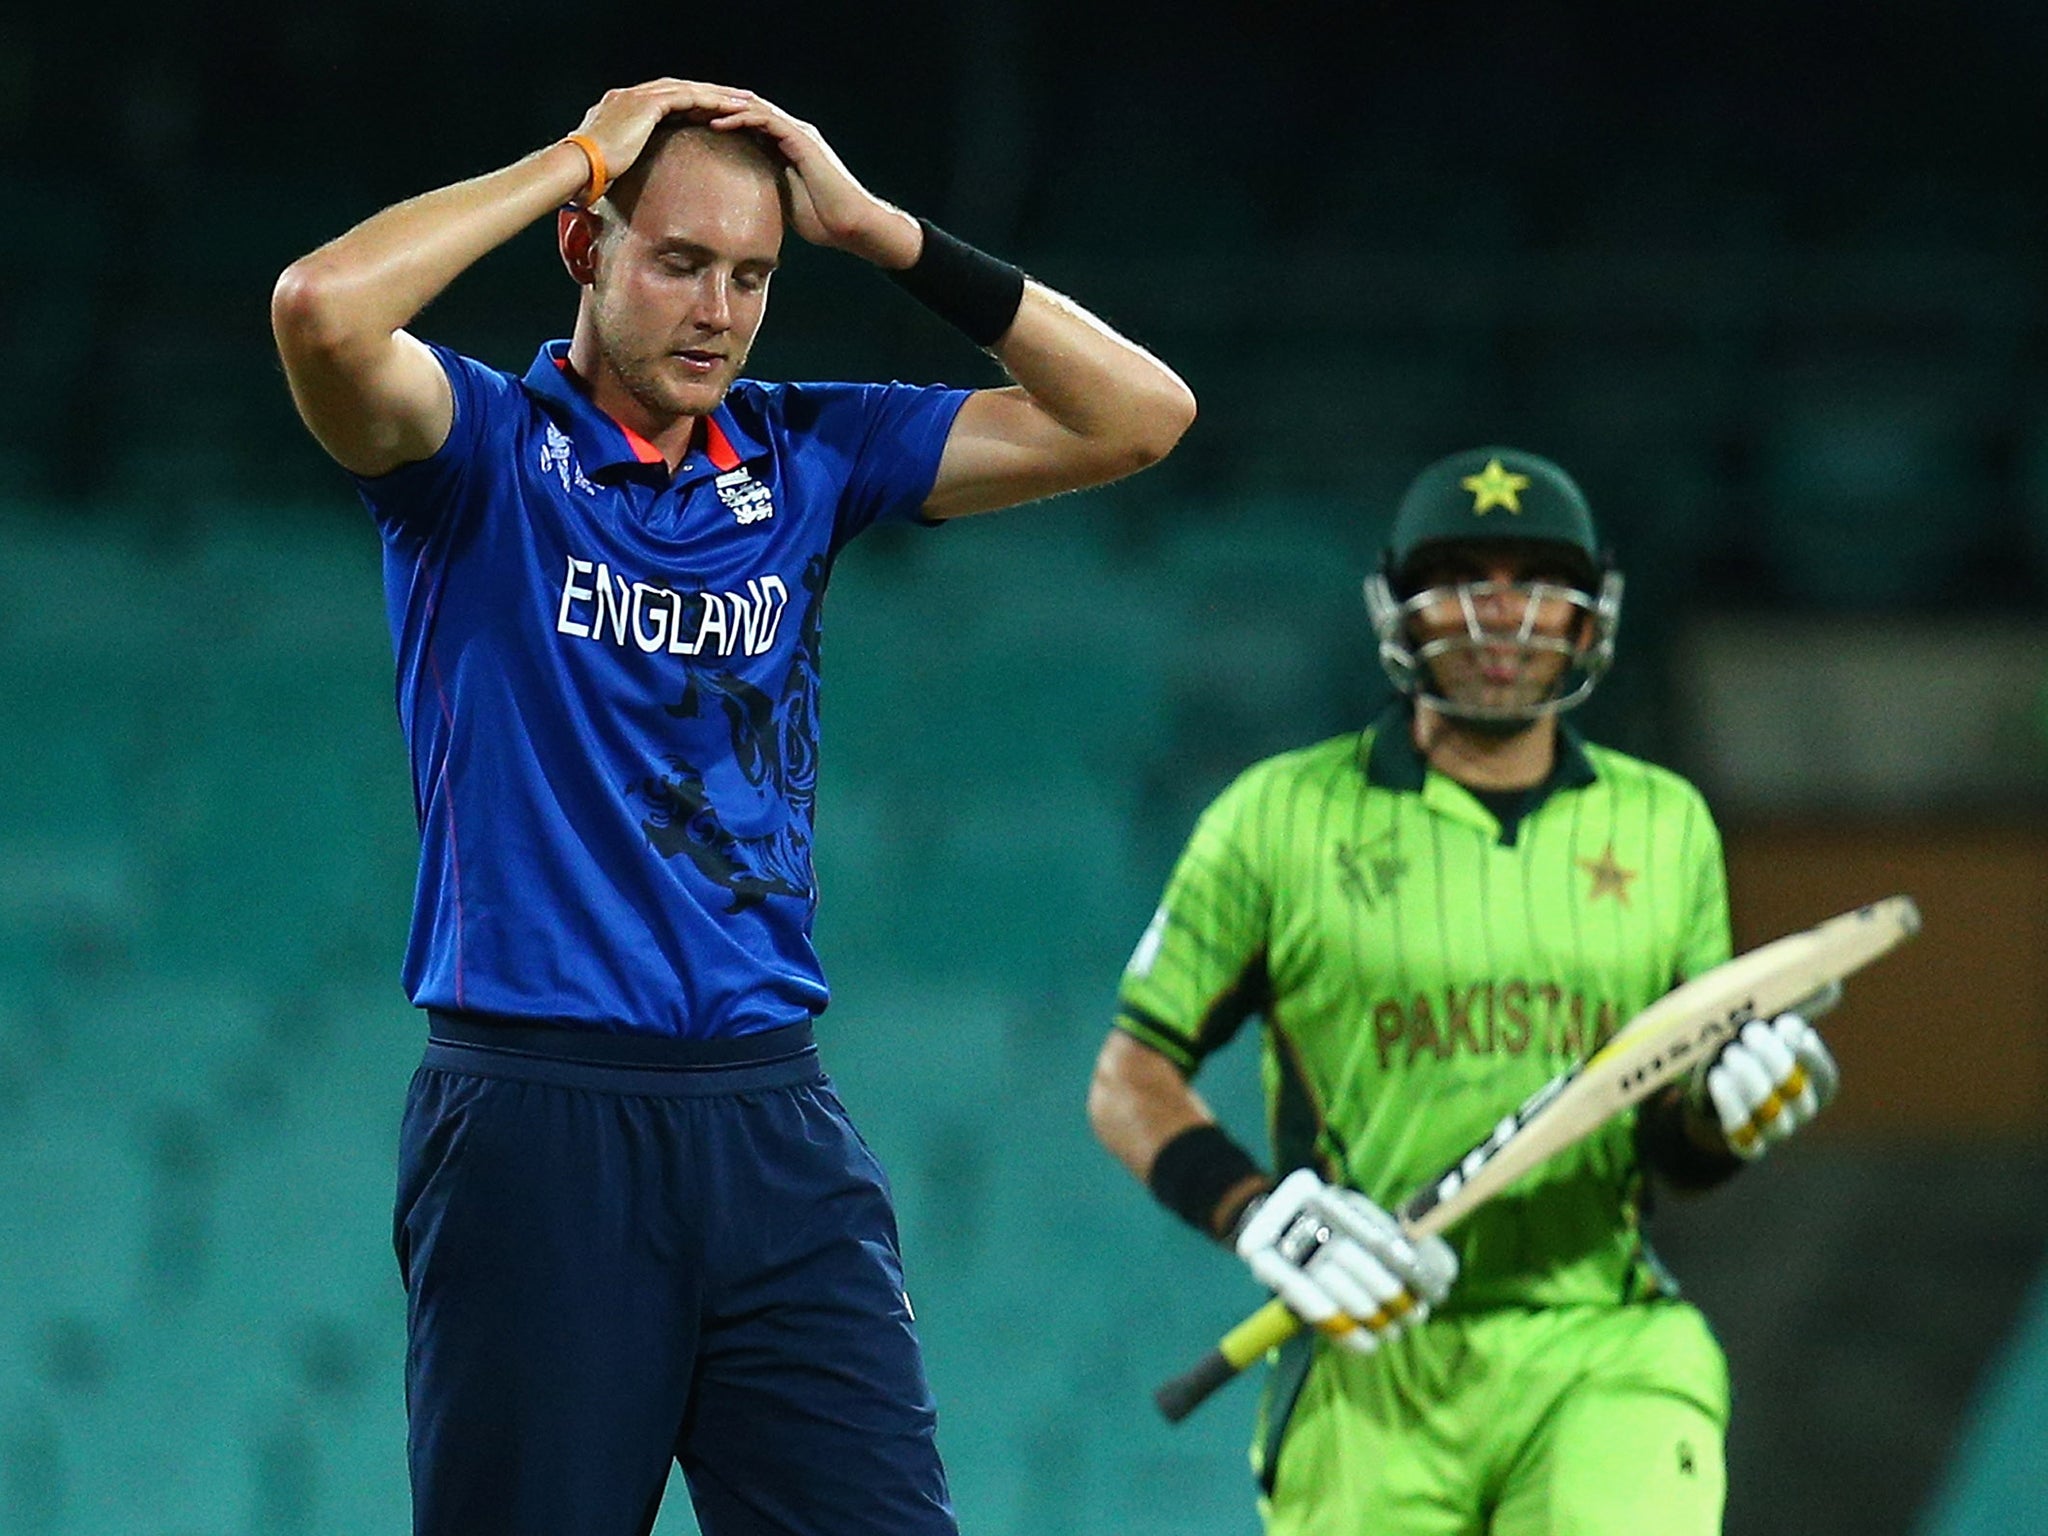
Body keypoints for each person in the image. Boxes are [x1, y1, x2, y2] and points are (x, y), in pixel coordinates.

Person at [270, 78, 1194, 1536]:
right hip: (537, 1118)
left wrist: (890, 237)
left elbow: (1146, 416)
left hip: (772, 1123)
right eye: (678, 261)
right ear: (587, 250)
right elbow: (322, 309)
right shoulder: (483, 456)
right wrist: (575, 155)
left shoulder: (806, 452)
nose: (718, 310)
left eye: (753, 275)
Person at [1088, 446, 1841, 1536]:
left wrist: (1726, 1118)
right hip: (1365, 1351)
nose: (1499, 617)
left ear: (1588, 615)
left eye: (1535, 581)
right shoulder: (1275, 817)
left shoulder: (1663, 823)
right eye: (1462, 581)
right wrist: (1257, 1213)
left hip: (1600, 1339)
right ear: (1398, 607)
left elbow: (1672, 1147)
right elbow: (1127, 1078)